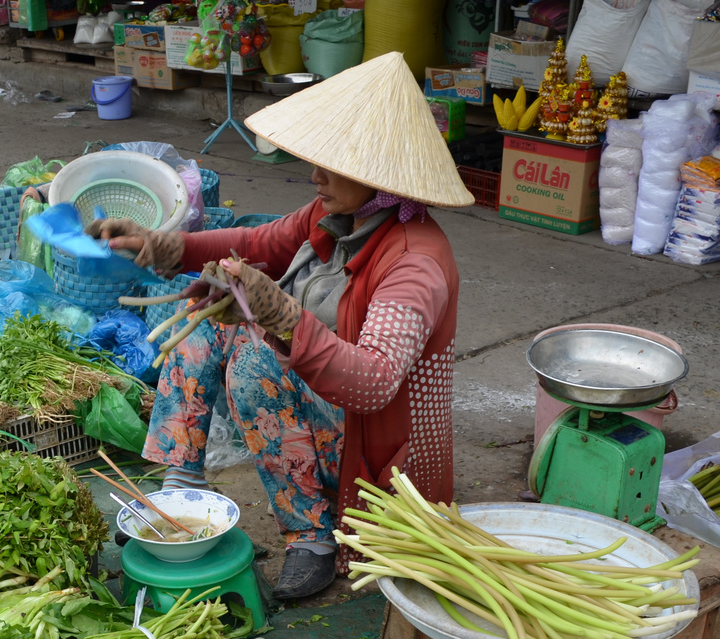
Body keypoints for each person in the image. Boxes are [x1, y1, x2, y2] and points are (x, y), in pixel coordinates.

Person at [87, 52, 469, 600]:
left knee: (254, 362)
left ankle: (313, 535)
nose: (314, 175)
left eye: (331, 165)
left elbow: (374, 381)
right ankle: (181, 490)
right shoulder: (337, 216)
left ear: (376, 175)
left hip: (375, 457)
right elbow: (259, 243)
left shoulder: (414, 263)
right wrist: (168, 246)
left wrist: (285, 317)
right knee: (205, 318)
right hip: (326, 413)